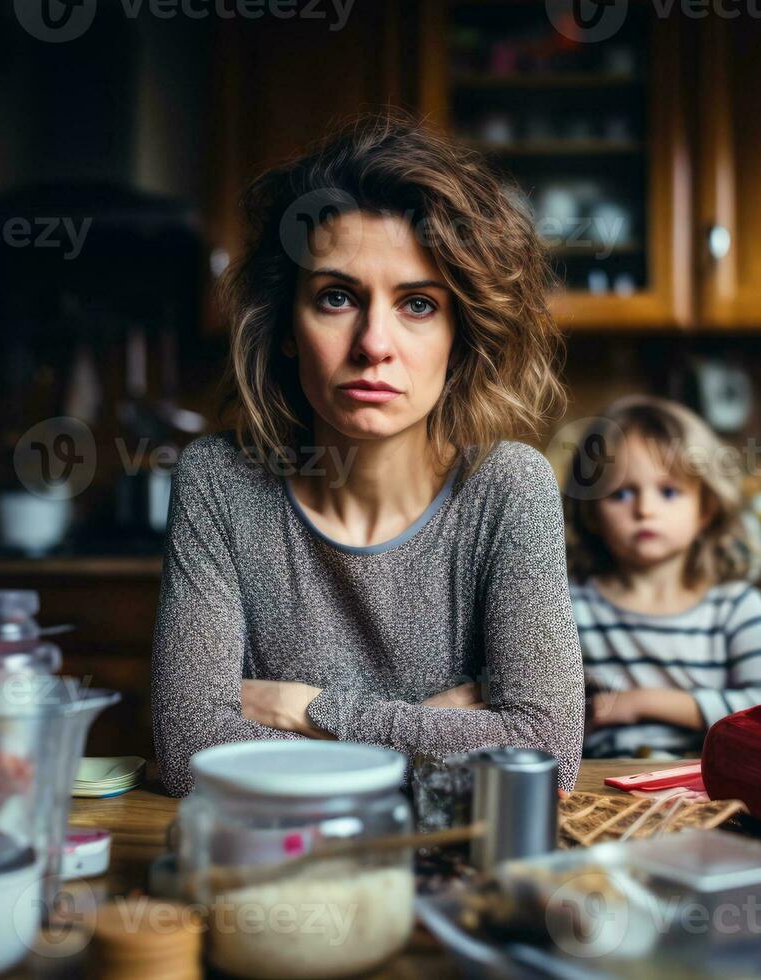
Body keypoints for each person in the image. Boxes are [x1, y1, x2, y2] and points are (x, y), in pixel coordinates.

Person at [150, 111, 584, 796]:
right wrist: (426, 731)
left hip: (458, 867)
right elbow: (187, 749)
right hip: (278, 860)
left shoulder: (509, 487)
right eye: (336, 297)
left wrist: (306, 711)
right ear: (287, 326)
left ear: (459, 333)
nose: (373, 342)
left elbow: (545, 751)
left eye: (417, 305)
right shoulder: (220, 482)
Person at [563, 395, 761, 759]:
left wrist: (641, 703)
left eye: (668, 491)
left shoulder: (737, 607)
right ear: (591, 514)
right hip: (594, 789)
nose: (645, 510)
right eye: (620, 493)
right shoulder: (570, 606)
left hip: (707, 788)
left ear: (706, 508)